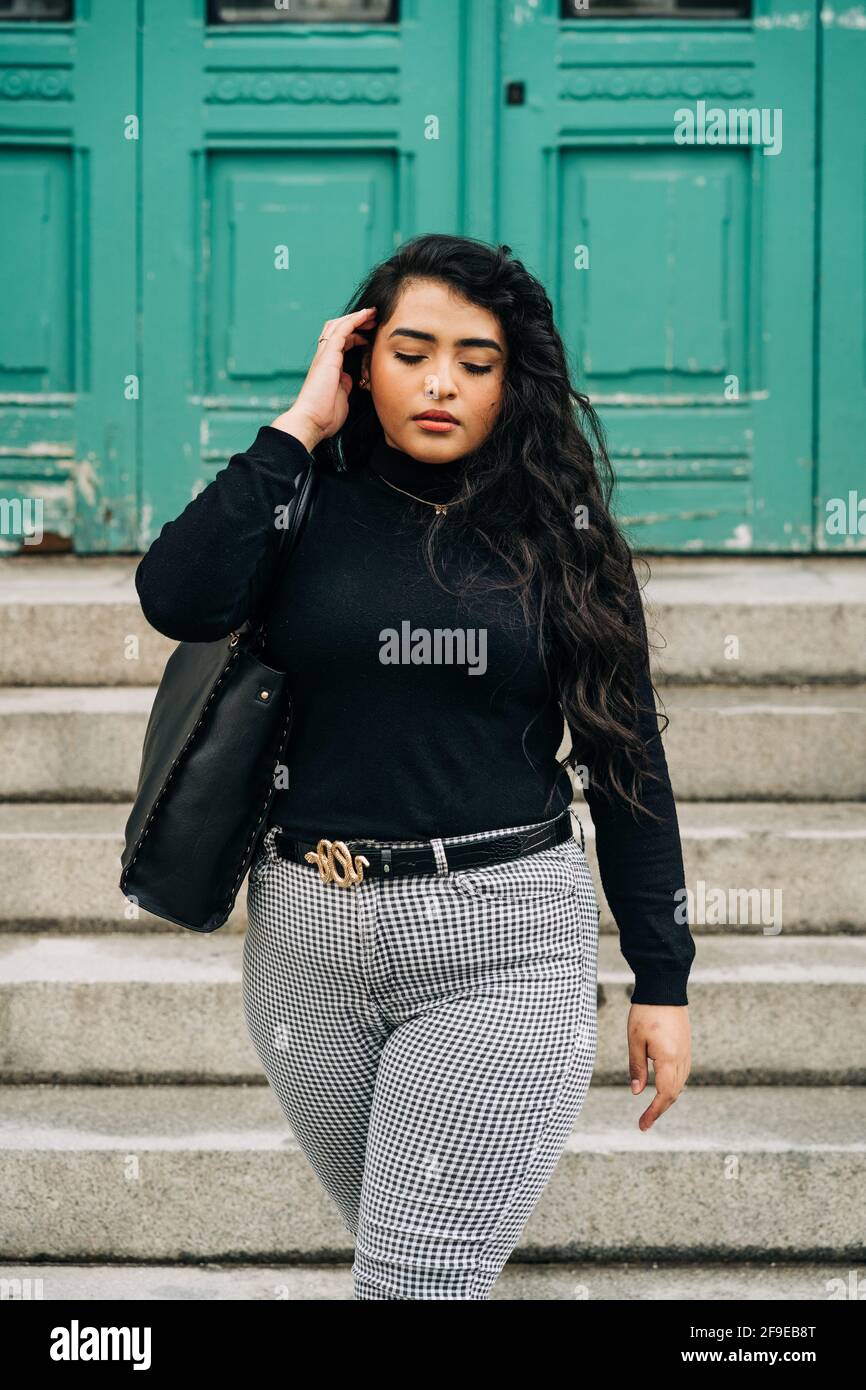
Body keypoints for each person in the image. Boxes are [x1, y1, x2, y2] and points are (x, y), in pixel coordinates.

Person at [134, 233, 695, 1300]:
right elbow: (177, 595)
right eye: (410, 351)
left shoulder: (559, 533)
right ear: (357, 359)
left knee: (416, 1281)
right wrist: (296, 428)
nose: (441, 383)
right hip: (307, 942)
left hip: (502, 939)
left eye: (476, 363)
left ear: (509, 382)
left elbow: (626, 759)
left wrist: (659, 976)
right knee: (422, 1274)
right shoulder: (297, 505)